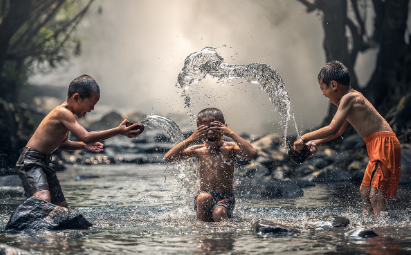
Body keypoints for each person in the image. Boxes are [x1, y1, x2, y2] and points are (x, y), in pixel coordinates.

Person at [293, 61, 401, 219]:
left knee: (375, 195)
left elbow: (332, 128)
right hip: (377, 145)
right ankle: (369, 227)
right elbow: (339, 131)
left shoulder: (350, 98)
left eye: (323, 88)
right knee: (365, 192)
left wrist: (303, 138)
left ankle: (384, 235)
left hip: (383, 144)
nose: (323, 93)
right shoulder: (348, 100)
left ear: (334, 85)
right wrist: (316, 142)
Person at [16, 75, 142, 208]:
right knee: (44, 199)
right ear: (76, 97)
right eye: (91, 104)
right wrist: (118, 131)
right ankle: (22, 222)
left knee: (62, 207)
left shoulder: (67, 116)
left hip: (44, 161)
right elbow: (86, 136)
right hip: (30, 160)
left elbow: (62, 144)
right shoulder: (62, 112)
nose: (92, 109)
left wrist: (83, 146)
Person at [164, 108, 257, 222]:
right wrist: (191, 139)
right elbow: (168, 158)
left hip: (225, 197)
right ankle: (201, 232)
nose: (210, 132)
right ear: (198, 131)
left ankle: (223, 237)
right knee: (204, 197)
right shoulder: (198, 150)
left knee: (219, 213)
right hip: (203, 197)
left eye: (214, 127)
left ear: (224, 127)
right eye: (204, 129)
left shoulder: (230, 148)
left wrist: (231, 133)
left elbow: (252, 154)